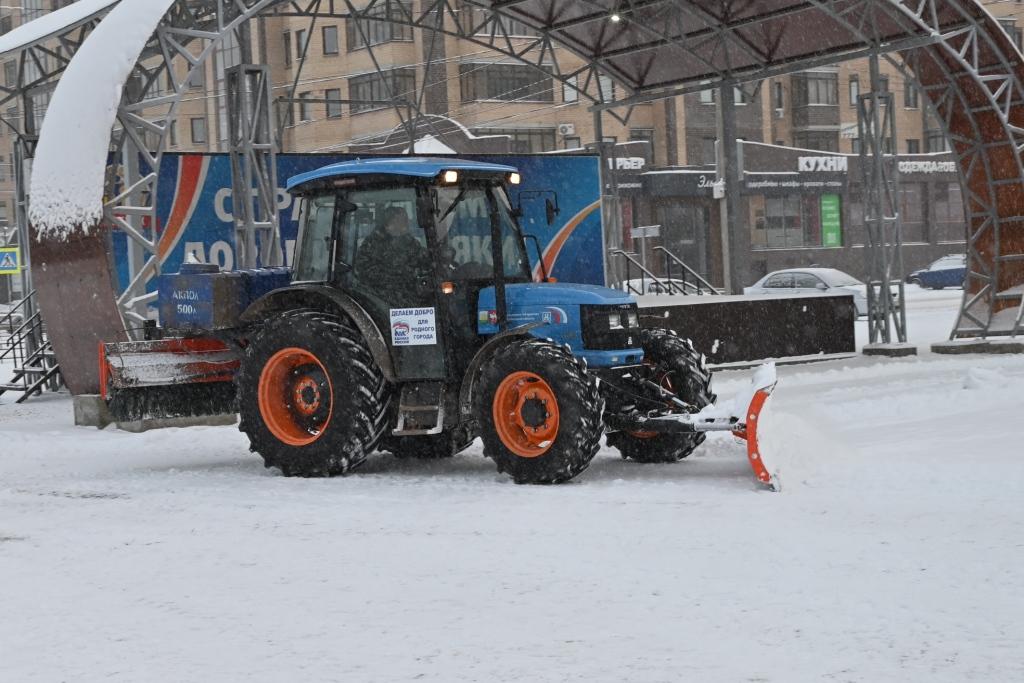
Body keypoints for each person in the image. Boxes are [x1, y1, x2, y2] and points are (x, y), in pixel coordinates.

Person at [354, 206, 430, 303]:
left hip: (409, 299)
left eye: (406, 220)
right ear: (391, 222)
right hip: (380, 301)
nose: (406, 223)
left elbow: (421, 259)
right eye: (402, 220)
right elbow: (364, 271)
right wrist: (401, 274)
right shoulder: (373, 243)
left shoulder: (408, 241)